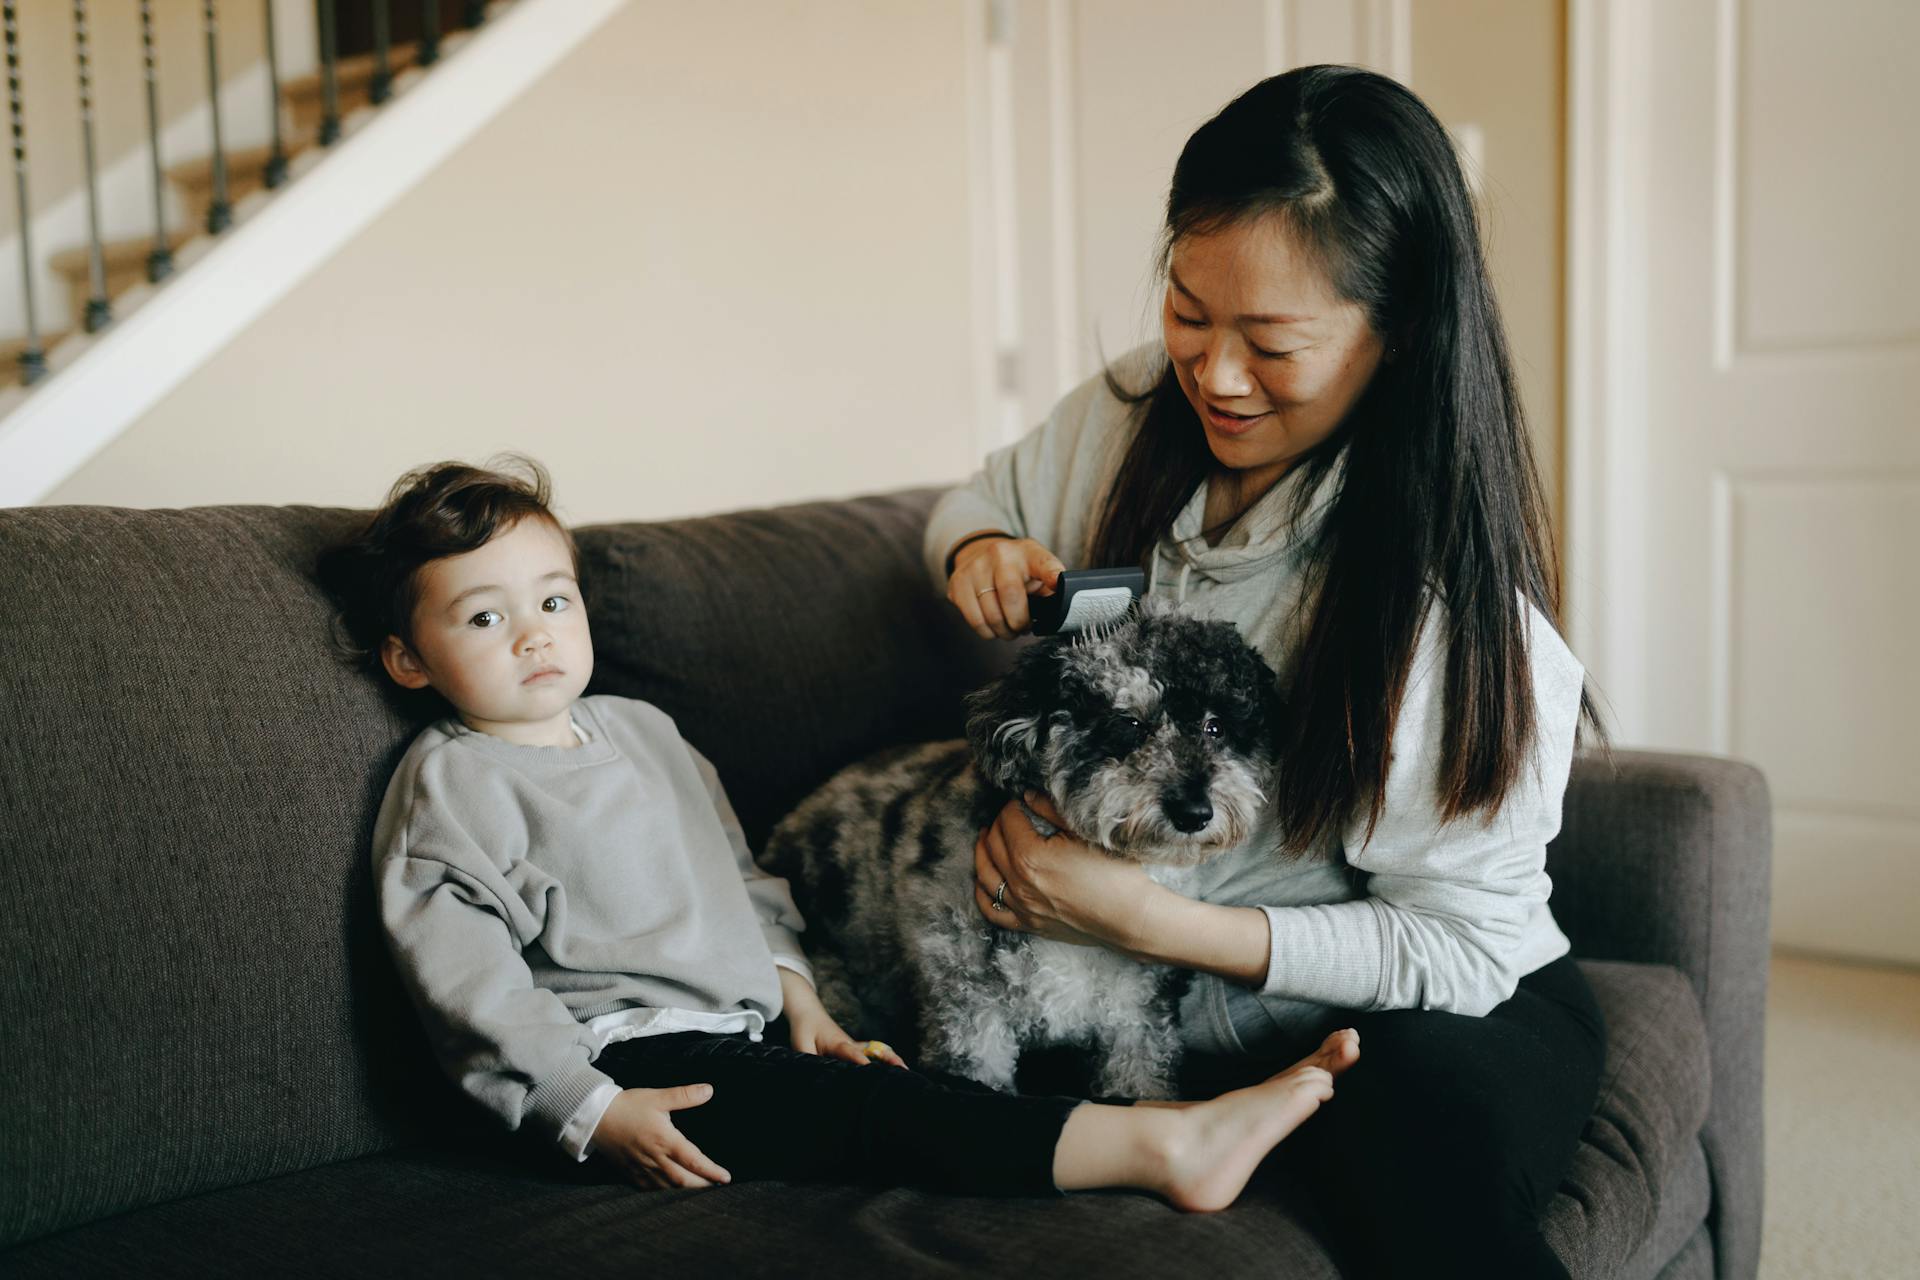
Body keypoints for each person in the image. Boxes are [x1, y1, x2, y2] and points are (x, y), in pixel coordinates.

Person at [928, 65, 1607, 1277]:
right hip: (1152, 1002)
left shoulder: (1441, 609)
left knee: (1423, 1156)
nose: (1215, 374)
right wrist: (978, 546)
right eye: (1192, 311)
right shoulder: (1131, 413)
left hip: (1431, 1006)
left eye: (1273, 343)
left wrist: (1157, 918)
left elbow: (1460, 950)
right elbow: (983, 496)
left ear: (1397, 335)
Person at [315, 456, 1360, 1208]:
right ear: (408, 659)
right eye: (485, 616)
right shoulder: (449, 784)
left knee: (872, 1084)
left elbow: (739, 875)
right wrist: (587, 1104)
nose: (537, 631)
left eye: (553, 596)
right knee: (894, 1118)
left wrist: (800, 995)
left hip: (747, 1034)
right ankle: (1163, 1146)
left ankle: (1149, 1128)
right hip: (627, 1068)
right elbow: (469, 987)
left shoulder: (643, 730)